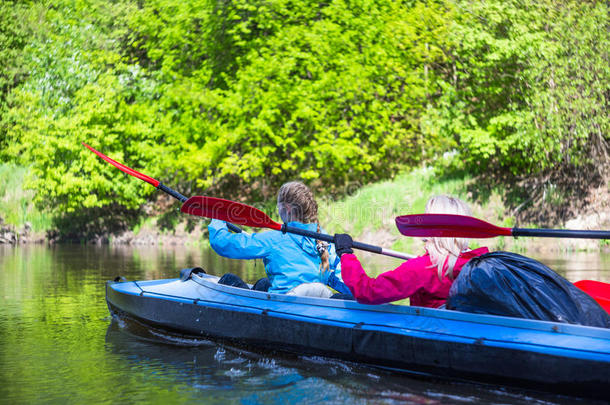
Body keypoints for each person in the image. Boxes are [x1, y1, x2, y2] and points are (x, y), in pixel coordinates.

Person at [334, 195, 489, 308]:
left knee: (338, 298)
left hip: (428, 338)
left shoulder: (422, 269)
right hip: (460, 335)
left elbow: (367, 292)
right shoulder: (480, 263)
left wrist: (346, 254)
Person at [208, 181, 350, 296]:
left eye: (278, 205)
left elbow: (224, 244)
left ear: (286, 208)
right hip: (316, 301)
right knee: (263, 283)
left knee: (228, 278)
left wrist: (217, 220)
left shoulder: (274, 239)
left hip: (284, 306)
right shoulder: (323, 238)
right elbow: (343, 279)